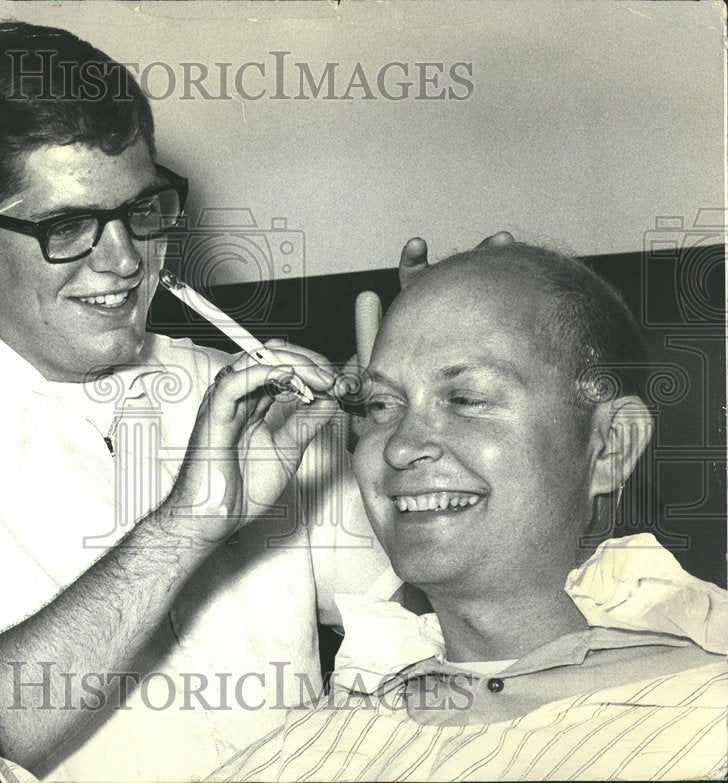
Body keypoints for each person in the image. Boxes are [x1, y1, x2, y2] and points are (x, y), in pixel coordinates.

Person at [0, 20, 465, 783]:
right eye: (68, 225)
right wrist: (187, 526)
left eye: (143, 209)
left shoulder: (252, 393)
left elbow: (427, 624)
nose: (126, 261)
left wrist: (421, 427)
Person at [213, 243, 728, 781]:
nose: (399, 445)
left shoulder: (704, 723)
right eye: (383, 406)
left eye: (466, 399)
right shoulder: (309, 751)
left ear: (610, 446)